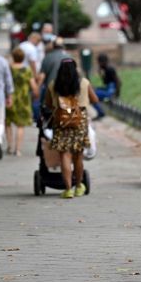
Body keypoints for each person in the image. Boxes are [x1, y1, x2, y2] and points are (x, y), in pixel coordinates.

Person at [44, 59, 98, 198]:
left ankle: (68, 189)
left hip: (61, 123)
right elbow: (95, 99)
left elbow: (48, 104)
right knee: (78, 156)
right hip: (79, 123)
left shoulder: (53, 84)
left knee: (64, 156)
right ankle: (79, 186)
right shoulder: (84, 83)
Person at [5, 48, 39, 157]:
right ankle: (18, 149)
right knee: (20, 125)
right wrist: (36, 93)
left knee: (8, 123)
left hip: (9, 99)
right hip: (23, 100)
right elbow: (33, 86)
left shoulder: (8, 69)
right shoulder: (27, 70)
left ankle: (9, 146)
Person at [37, 37, 71, 109]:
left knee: (49, 109)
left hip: (51, 89)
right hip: (66, 89)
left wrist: (37, 88)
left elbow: (42, 76)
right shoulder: (68, 56)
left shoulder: (48, 57)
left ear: (53, 46)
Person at [91, 53, 121, 121]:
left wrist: (117, 94)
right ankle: (100, 111)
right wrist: (101, 74)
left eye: (99, 62)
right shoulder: (104, 70)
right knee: (93, 90)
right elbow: (105, 82)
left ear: (102, 62)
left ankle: (101, 113)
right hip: (108, 88)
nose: (98, 64)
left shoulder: (110, 69)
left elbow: (118, 81)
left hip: (110, 91)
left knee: (91, 96)